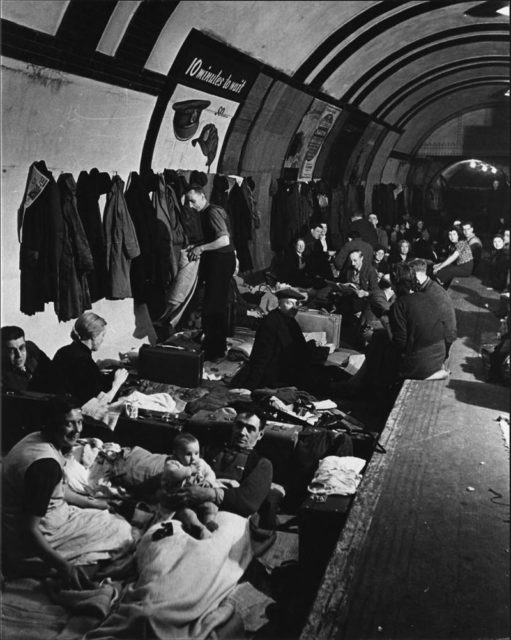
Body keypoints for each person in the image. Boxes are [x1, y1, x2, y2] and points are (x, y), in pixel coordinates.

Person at [1, 396, 133, 586]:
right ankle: (62, 575)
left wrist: (94, 503)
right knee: (121, 531)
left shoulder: (36, 438)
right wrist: (63, 566)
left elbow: (56, 492)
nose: (78, 430)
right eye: (69, 424)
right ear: (52, 424)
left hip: (41, 521)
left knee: (106, 516)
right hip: (32, 541)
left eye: (79, 422)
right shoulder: (45, 466)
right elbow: (28, 530)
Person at [174, 407, 275, 526]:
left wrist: (209, 493)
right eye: (239, 425)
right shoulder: (208, 449)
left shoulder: (262, 464)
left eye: (250, 429)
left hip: (229, 515)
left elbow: (248, 501)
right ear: (233, 426)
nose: (242, 432)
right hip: (190, 503)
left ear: (260, 435)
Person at [230, 288, 344, 393]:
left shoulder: (289, 320)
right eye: (289, 303)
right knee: (323, 384)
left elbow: (298, 346)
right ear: (279, 304)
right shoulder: (270, 323)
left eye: (296, 304)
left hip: (291, 366)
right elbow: (261, 356)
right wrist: (251, 387)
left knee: (333, 372)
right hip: (279, 373)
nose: (294, 308)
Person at [185, 187, 236, 361]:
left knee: (214, 306)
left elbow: (224, 239)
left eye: (193, 201)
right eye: (188, 202)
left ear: (202, 196)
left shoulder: (211, 212)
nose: (191, 206)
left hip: (220, 262)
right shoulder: (210, 211)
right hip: (220, 261)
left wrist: (201, 248)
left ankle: (215, 350)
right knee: (214, 305)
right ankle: (213, 346)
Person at [51, 311, 129, 405]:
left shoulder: (64, 351)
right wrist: (116, 384)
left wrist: (99, 367)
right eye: (102, 335)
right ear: (93, 336)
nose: (102, 340)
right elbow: (97, 404)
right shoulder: (83, 361)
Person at [159, 433, 220, 540]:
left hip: (196, 497)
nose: (193, 458)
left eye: (197, 453)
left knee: (211, 506)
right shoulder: (172, 463)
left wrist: (208, 481)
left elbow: (211, 473)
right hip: (178, 499)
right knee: (187, 514)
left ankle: (209, 522)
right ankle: (198, 527)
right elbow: (174, 475)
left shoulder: (200, 463)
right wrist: (189, 470)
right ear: (176, 453)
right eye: (188, 454)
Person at [1, 325, 51, 392]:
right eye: (12, 351)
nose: (19, 355)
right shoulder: (3, 378)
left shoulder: (31, 349)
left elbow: (52, 368)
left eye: (22, 348)